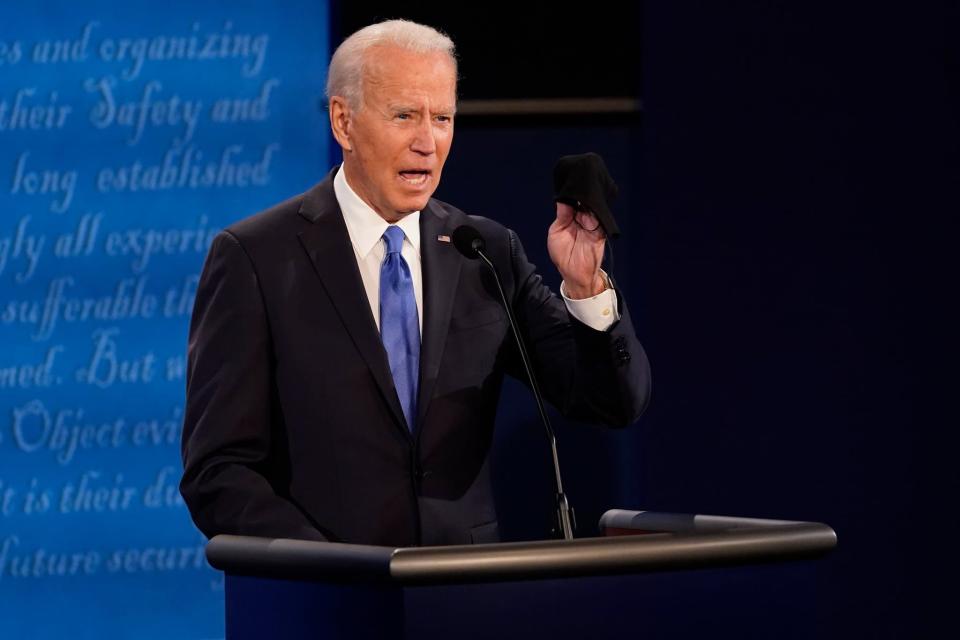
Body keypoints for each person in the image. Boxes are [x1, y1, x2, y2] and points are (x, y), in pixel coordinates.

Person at [179, 19, 651, 547]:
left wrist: (587, 288)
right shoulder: (256, 258)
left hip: (459, 600)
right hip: (325, 603)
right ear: (343, 122)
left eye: (442, 117)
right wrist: (324, 567)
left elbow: (610, 403)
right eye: (404, 115)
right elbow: (218, 470)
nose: (428, 142)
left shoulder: (485, 253)